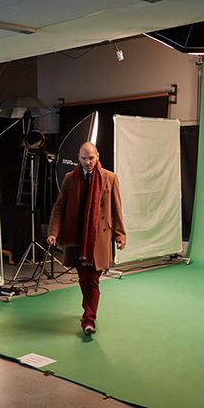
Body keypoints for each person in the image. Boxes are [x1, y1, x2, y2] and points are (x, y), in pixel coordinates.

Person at [47, 142, 126, 336]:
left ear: (97, 156)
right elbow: (59, 207)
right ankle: (88, 305)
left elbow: (116, 209)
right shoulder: (70, 179)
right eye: (83, 158)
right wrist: (53, 232)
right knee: (83, 277)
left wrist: (120, 234)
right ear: (78, 157)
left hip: (99, 238)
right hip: (77, 237)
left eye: (91, 158)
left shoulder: (109, 178)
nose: (88, 162)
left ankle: (89, 319)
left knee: (93, 280)